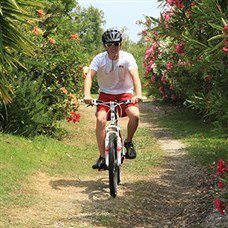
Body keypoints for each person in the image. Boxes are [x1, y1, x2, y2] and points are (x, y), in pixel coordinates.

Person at [84, 29, 142, 169]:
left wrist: (138, 94)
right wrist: (87, 95)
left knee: (135, 115)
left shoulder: (127, 57)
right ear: (105, 46)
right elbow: (89, 77)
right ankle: (103, 157)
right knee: (100, 119)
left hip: (125, 93)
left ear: (120, 44)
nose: (113, 47)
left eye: (116, 44)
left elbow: (135, 77)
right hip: (105, 94)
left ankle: (128, 142)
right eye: (110, 45)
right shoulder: (99, 59)